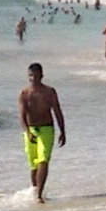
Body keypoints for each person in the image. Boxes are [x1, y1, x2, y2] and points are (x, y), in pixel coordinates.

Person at [19, 63, 69, 203]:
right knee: (34, 165)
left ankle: (39, 195)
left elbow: (57, 111)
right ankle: (35, 191)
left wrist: (62, 131)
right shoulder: (24, 94)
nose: (33, 79)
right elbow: (22, 116)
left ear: (41, 76)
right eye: (30, 76)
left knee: (43, 160)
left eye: (35, 76)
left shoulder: (49, 92)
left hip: (47, 128)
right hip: (31, 130)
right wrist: (27, 132)